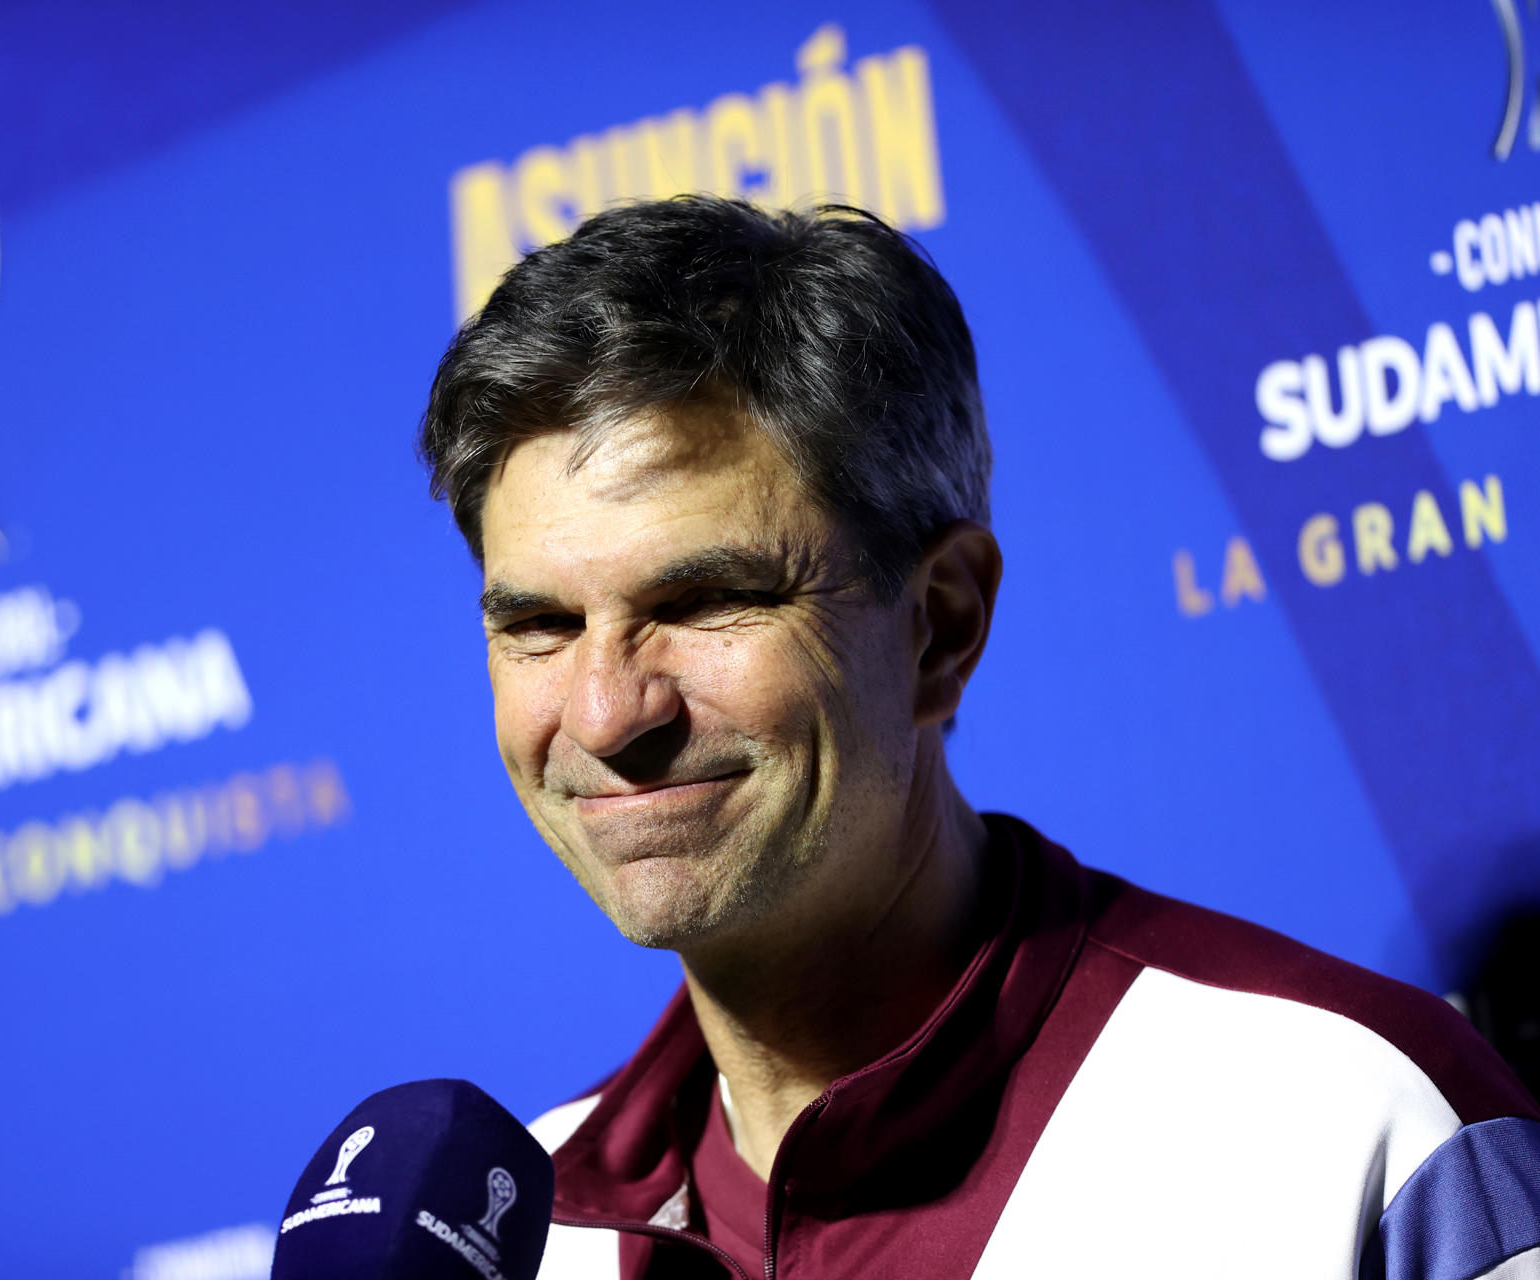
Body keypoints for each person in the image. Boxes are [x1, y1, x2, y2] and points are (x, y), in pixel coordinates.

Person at [417, 196, 1540, 1280]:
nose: (606, 713)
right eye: (539, 624)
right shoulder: (513, 1237)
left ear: (942, 623)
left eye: (707, 600)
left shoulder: (1354, 1126)